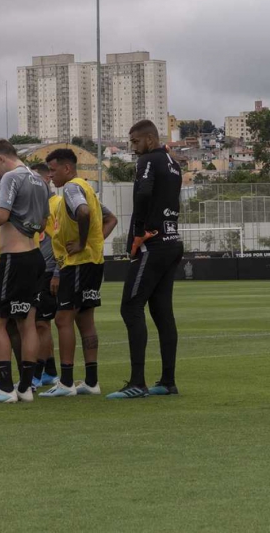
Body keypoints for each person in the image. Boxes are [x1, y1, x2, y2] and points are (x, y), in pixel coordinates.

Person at [109, 120, 184, 399]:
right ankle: (167, 381)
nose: (133, 147)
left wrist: (139, 233)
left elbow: (143, 193)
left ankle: (137, 383)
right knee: (162, 312)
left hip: (152, 244)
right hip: (172, 240)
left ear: (150, 139)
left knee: (130, 307)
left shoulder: (148, 161)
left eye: (135, 142)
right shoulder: (174, 163)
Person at [0, 140, 49, 404]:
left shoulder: (10, 177)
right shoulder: (40, 180)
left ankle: (6, 387)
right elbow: (43, 222)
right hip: (35, 256)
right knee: (26, 322)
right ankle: (26, 387)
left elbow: (0, 217)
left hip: (13, 259)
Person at [40, 149, 118, 397]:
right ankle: (91, 381)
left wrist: (83, 243)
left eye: (53, 170)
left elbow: (83, 212)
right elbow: (110, 218)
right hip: (93, 263)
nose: (50, 176)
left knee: (63, 319)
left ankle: (65, 382)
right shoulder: (87, 188)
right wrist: (94, 243)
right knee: (85, 320)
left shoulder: (73, 189)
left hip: (78, 265)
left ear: (67, 168)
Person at [28, 162, 62, 388]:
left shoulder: (58, 203)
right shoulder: (32, 205)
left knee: (40, 324)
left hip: (50, 271)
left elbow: (61, 238)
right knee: (40, 324)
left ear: (47, 179)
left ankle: (37, 374)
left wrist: (58, 271)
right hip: (33, 271)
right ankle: (49, 371)